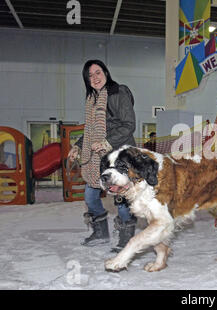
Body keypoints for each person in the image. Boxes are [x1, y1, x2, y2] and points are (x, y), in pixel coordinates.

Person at [68, 59, 138, 252]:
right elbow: (91, 131)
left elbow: (128, 125)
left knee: (121, 197)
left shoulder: (118, 92)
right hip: (98, 158)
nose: (95, 77)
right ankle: (101, 232)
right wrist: (78, 146)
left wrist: (108, 143)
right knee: (90, 196)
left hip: (118, 154)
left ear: (106, 73)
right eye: (90, 75)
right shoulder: (92, 100)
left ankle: (127, 238)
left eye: (98, 72)